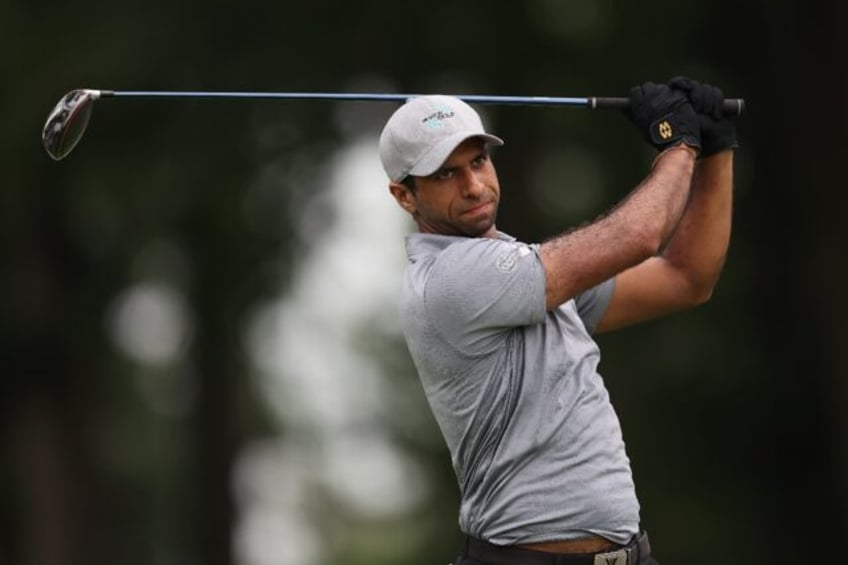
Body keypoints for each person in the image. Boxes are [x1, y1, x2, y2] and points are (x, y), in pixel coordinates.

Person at [378, 77, 737, 565]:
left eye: (478, 161)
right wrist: (678, 144)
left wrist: (716, 150)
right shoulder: (448, 279)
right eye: (444, 175)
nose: (473, 186)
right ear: (404, 196)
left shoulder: (522, 272)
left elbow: (685, 278)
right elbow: (640, 236)